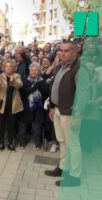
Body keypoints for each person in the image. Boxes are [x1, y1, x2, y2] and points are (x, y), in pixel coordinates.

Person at [44, 41, 84, 187]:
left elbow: (83, 93)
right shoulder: (61, 66)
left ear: (75, 52)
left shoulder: (79, 68)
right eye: (61, 50)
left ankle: (75, 176)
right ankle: (63, 167)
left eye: (67, 50)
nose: (62, 53)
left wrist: (77, 114)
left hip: (71, 112)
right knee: (62, 140)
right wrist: (53, 106)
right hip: (59, 109)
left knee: (72, 143)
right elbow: (56, 87)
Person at [0, 59, 23, 151]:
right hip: (1, 105)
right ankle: (1, 143)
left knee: (11, 125)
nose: (8, 68)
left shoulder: (17, 76)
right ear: (4, 67)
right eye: (6, 66)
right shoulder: (1, 75)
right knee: (1, 125)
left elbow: (20, 86)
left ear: (13, 68)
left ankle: (10, 143)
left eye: (10, 66)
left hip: (12, 105)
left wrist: (13, 82)